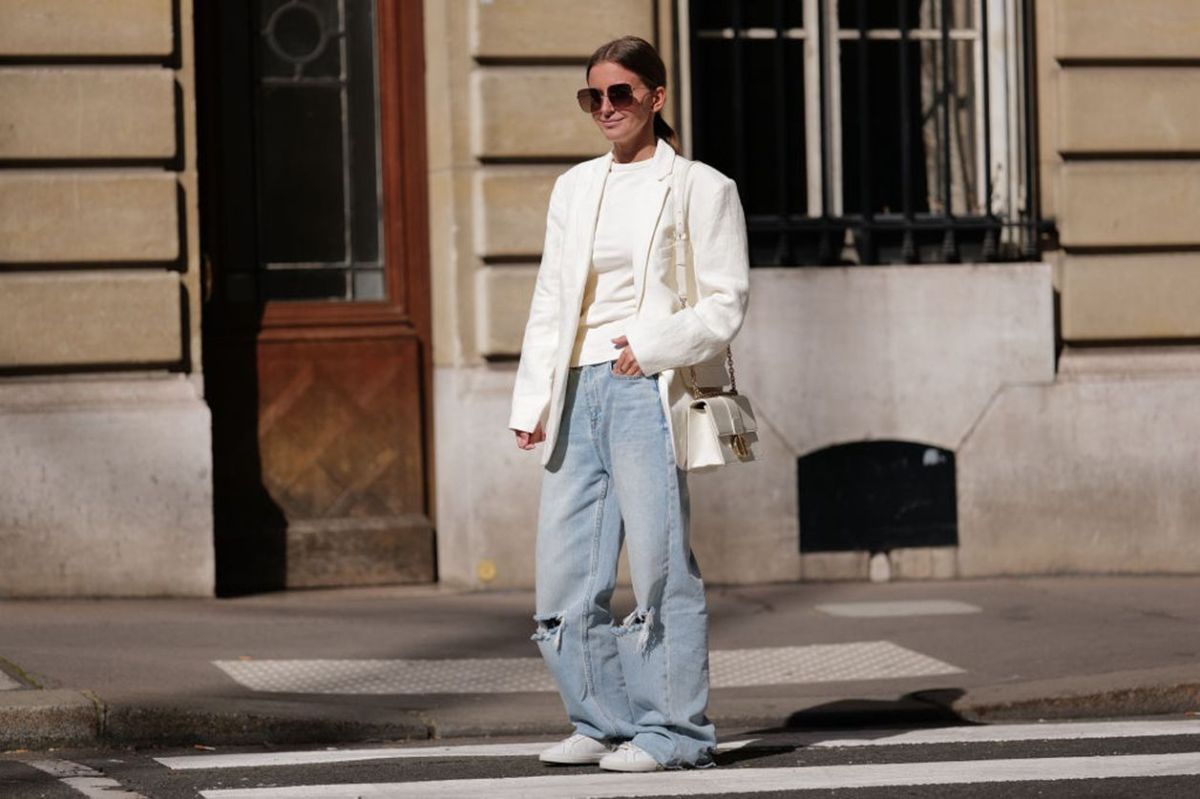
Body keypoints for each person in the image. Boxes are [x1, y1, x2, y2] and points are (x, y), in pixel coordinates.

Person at [508, 35, 750, 773]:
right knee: (564, 573)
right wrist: (532, 396)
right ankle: (603, 718)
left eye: (619, 93)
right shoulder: (576, 186)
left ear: (655, 97)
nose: (606, 108)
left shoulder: (701, 188)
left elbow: (725, 301)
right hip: (575, 386)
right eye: (593, 97)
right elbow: (552, 296)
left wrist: (651, 344)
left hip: (645, 386)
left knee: (657, 565)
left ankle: (675, 731)